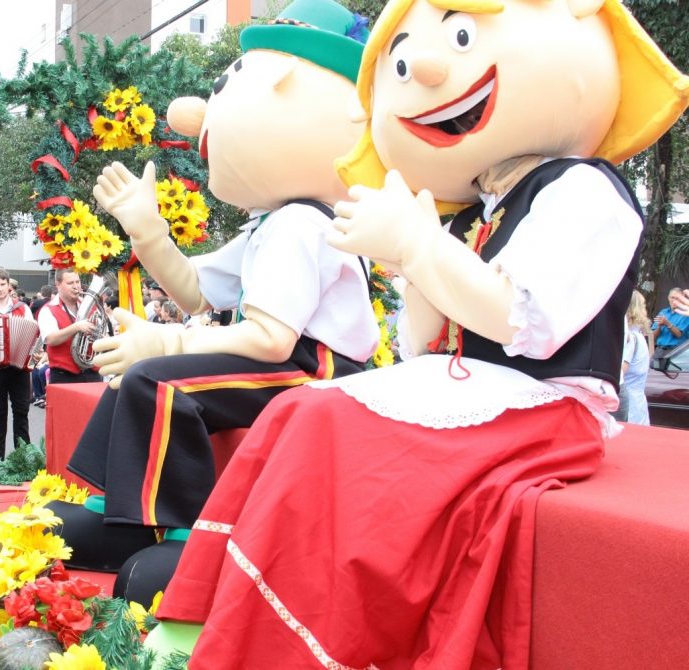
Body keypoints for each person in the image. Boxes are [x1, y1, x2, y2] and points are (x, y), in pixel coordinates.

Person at [151, 0, 688, 666]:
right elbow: (421, 340)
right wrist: (412, 256)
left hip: (549, 406)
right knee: (296, 412)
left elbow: (525, 323)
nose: (426, 69)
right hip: (470, 390)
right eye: (402, 62)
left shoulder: (583, 189)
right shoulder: (468, 213)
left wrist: (418, 247)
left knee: (328, 425)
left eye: (461, 36)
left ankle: (311, 624)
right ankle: (225, 594)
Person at [55, 0, 379, 604]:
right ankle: (117, 512)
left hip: (322, 370)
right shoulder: (270, 223)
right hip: (283, 358)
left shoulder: (304, 222)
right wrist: (148, 232)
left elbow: (271, 340)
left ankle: (187, 532)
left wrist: (169, 342)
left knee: (160, 380)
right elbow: (196, 288)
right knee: (132, 376)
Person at [0, 269, 37, 457]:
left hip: (19, 368)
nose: (0, 289)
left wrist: (35, 353)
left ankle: (23, 456)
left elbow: (34, 334)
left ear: (9, 286)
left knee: (21, 411)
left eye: (3, 284)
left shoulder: (22, 307)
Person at [37, 269, 102, 384]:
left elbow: (101, 334)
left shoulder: (90, 306)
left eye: (77, 282)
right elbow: (50, 339)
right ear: (58, 285)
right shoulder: (48, 309)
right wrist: (76, 327)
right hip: (64, 375)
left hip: (91, 372)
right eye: (70, 283)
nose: (76, 286)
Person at [619, 290, 652, 425]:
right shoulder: (639, 336)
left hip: (630, 404)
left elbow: (621, 371)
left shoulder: (631, 338)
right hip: (638, 401)